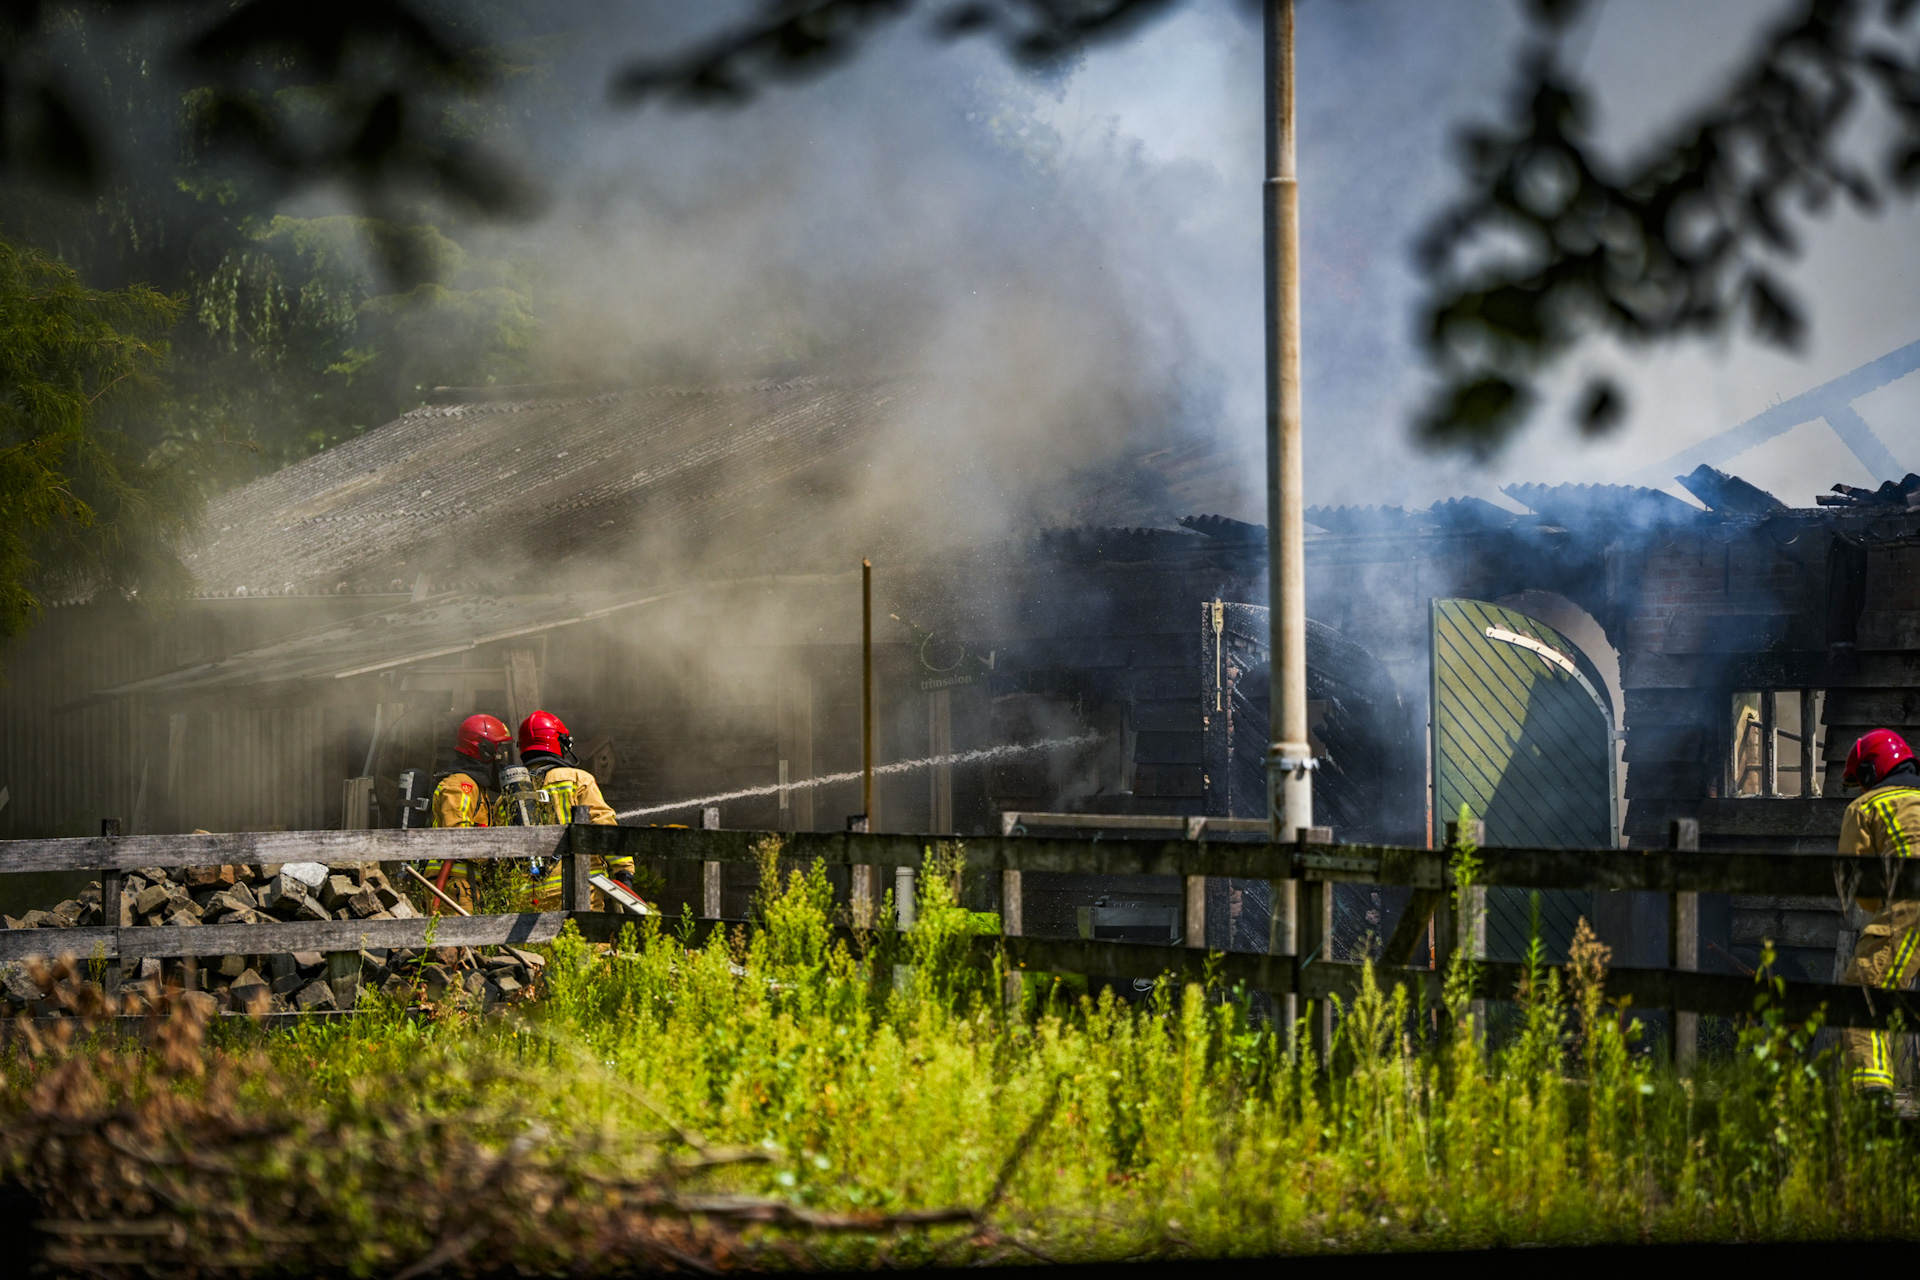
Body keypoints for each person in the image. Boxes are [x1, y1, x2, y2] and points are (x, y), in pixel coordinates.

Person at [1838, 728, 1920, 1093]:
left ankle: (1872, 1093)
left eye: (1860, 781)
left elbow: (1862, 887)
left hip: (1912, 906)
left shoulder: (1866, 807)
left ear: (1870, 774)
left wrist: (1878, 906)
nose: (1860, 788)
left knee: (1866, 991)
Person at [517, 710, 638, 910]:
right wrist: (624, 871)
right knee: (586, 940)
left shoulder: (510, 794)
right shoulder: (578, 780)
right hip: (577, 889)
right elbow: (603, 826)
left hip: (526, 896)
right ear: (561, 743)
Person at [426, 713, 513, 914]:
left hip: (463, 882)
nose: (500, 756)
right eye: (497, 749)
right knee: (456, 944)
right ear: (483, 750)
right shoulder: (461, 785)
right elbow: (458, 836)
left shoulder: (476, 786)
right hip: (451, 883)